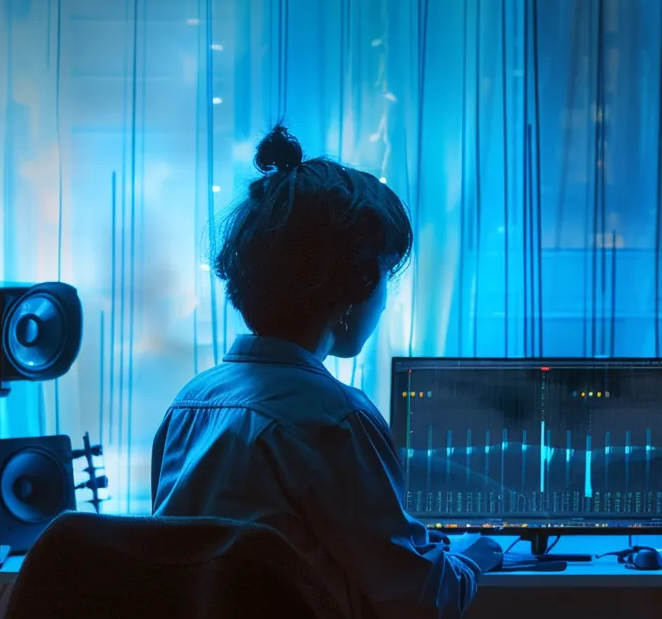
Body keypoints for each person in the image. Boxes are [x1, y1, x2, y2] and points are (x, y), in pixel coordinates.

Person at [151, 125, 500, 619]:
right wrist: (475, 559)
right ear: (353, 287)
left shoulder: (190, 403)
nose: (383, 302)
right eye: (383, 276)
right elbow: (424, 600)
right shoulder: (335, 419)